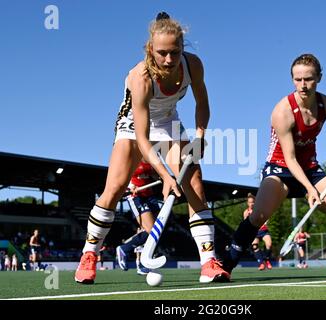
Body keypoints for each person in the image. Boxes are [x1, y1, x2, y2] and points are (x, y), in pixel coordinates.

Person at [75, 12, 230, 284]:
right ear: (150, 49)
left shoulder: (192, 65)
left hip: (169, 120)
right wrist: (166, 176)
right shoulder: (141, 77)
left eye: (175, 51)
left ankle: (209, 262)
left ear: (183, 48)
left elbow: (202, 103)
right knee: (115, 188)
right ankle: (89, 254)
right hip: (133, 125)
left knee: (194, 184)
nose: (169, 60)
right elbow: (144, 140)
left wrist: (201, 135)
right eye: (162, 53)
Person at [223, 53, 326, 279]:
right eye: (298, 79)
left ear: (319, 78)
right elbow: (290, 159)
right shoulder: (282, 111)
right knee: (258, 216)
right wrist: (310, 190)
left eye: (309, 79)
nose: (303, 85)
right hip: (280, 169)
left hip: (310, 169)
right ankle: (225, 266)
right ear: (292, 79)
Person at [116, 160, 161, 274]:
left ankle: (142, 265)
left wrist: (161, 177)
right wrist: (130, 186)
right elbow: (122, 174)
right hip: (136, 196)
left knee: (158, 229)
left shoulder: (152, 157)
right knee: (150, 229)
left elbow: (154, 174)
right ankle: (124, 249)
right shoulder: (133, 156)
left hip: (149, 195)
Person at [243, 193, 272, 270]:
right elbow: (245, 223)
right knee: (254, 246)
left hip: (263, 230)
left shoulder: (259, 210)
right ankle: (261, 263)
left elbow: (266, 216)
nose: (251, 204)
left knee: (268, 245)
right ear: (247, 203)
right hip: (254, 231)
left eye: (253, 202)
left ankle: (267, 260)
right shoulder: (246, 212)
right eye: (250, 202)